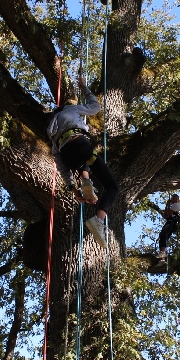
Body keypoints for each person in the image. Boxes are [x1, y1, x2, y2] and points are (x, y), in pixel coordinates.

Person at [48, 73, 119, 249]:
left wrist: (73, 189)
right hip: (80, 143)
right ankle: (98, 219)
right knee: (112, 187)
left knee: (82, 162)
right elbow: (95, 107)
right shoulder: (70, 110)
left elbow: (62, 167)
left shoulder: (51, 131)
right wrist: (84, 88)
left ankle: (85, 180)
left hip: (66, 154)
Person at [156, 194, 180, 260]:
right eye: (173, 198)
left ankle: (162, 253)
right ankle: (162, 258)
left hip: (172, 223)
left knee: (163, 234)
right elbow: (165, 216)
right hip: (171, 223)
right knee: (163, 237)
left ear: (178, 200)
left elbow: (169, 214)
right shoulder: (172, 206)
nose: (174, 200)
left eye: (176, 199)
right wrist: (167, 205)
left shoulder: (176, 205)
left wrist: (168, 204)